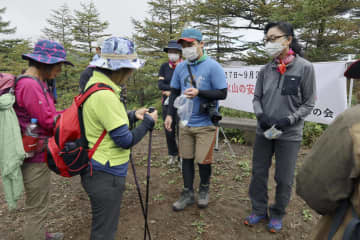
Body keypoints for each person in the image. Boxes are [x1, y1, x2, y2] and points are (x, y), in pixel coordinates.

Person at [80, 36, 158, 240]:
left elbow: (105, 122)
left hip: (96, 166)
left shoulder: (95, 84)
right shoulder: (106, 95)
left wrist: (132, 115)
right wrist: (148, 123)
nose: (131, 73)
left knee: (103, 226)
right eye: (130, 69)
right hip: (106, 172)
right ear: (120, 69)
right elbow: (124, 140)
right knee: (104, 232)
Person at [243, 21, 316, 233]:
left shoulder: (305, 68)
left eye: (273, 38)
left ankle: (277, 213)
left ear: (288, 39)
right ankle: (258, 209)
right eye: (267, 39)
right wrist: (261, 115)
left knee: (284, 178)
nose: (269, 43)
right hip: (264, 131)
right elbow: (256, 98)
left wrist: (289, 120)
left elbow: (309, 102)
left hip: (290, 134)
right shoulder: (266, 69)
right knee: (258, 173)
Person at [14, 39, 73, 240]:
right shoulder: (30, 85)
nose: (59, 69)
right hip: (35, 156)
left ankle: (41, 234)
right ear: (45, 63)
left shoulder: (36, 82)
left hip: (36, 151)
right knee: (36, 208)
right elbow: (48, 121)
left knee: (39, 203)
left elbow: (46, 113)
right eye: (58, 65)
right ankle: (36, 235)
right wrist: (75, 115)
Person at [164, 28, 227, 211]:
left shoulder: (213, 67)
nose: (186, 49)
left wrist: (200, 92)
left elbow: (222, 93)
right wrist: (169, 115)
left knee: (203, 160)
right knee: (187, 159)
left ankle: (204, 189)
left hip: (205, 123)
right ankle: (187, 192)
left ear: (201, 44)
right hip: (185, 123)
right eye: (183, 46)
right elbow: (174, 91)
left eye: (190, 44)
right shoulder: (182, 67)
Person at [158, 40, 182, 167]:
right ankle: (172, 154)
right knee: (169, 130)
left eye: (175, 52)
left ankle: (182, 157)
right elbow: (160, 85)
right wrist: (173, 90)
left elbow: (184, 85)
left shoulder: (184, 66)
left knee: (181, 130)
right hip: (167, 104)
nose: (172, 54)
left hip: (182, 104)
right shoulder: (164, 67)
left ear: (180, 53)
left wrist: (170, 91)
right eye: (170, 52)